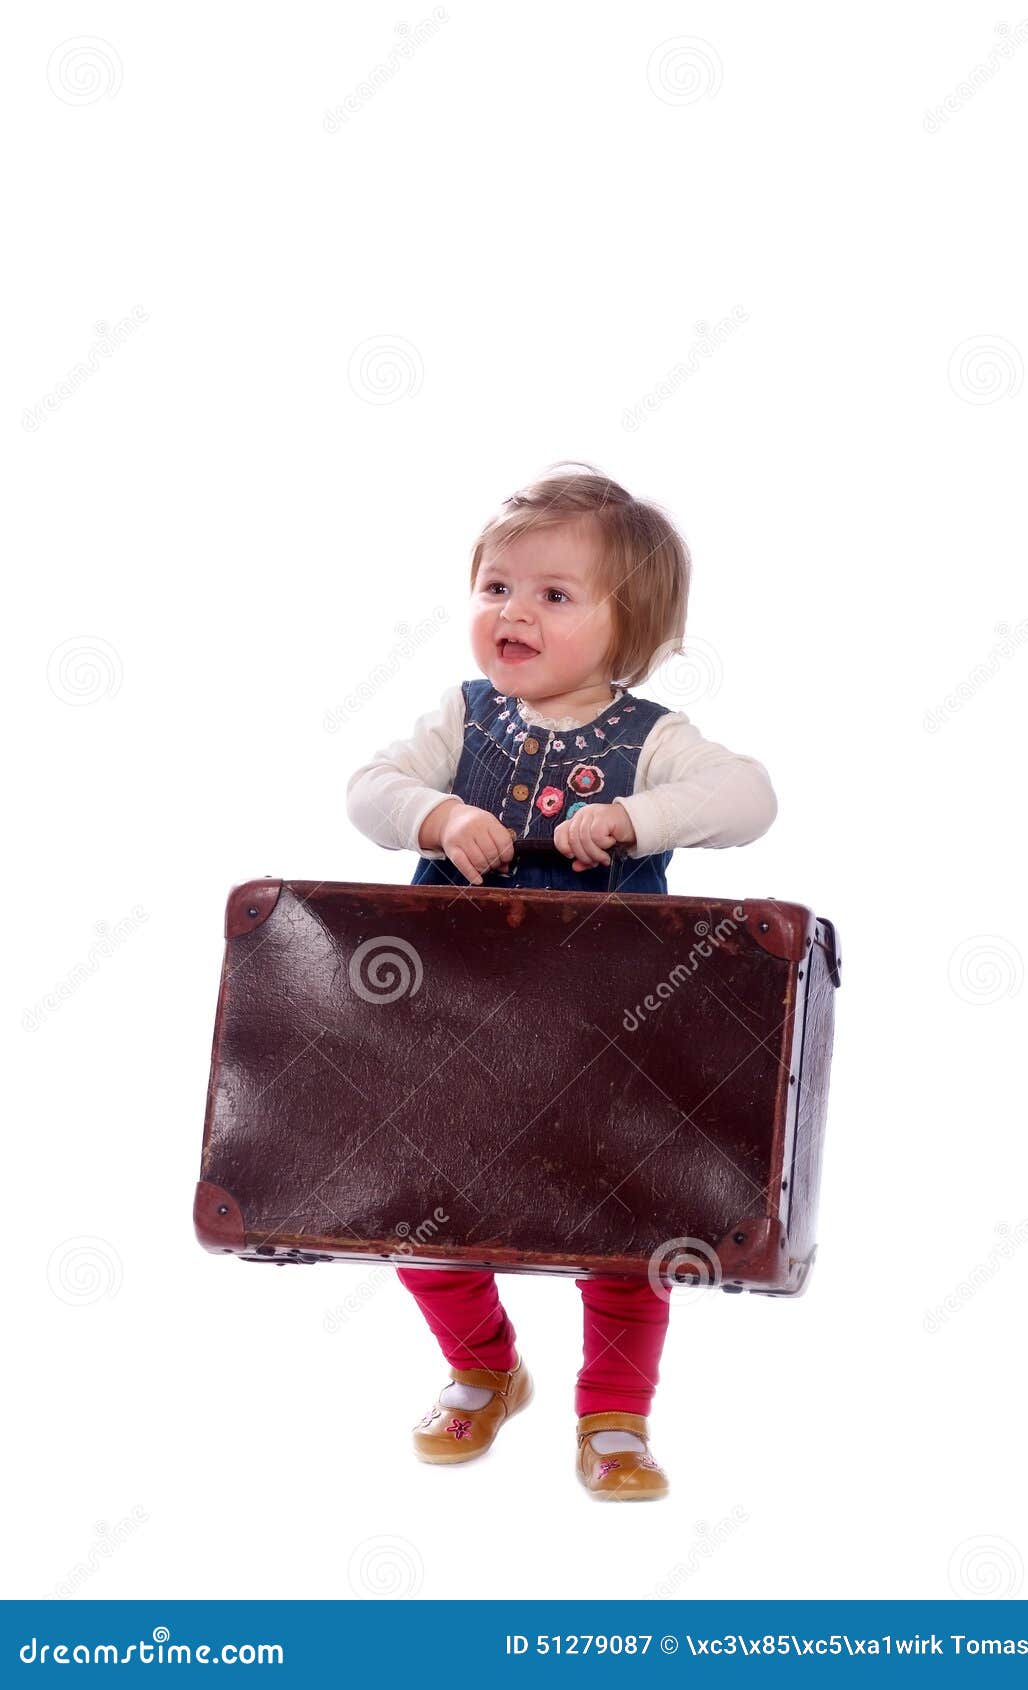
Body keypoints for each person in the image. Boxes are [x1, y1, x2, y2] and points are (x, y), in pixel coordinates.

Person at [345, 462, 777, 1499]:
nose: (513, 610)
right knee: (420, 1209)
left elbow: (751, 798)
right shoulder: (464, 717)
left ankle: (615, 1411)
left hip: (608, 1036)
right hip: (454, 1025)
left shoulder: (652, 740)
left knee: (625, 1232)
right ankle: (484, 1365)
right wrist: (440, 817)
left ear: (626, 631)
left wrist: (637, 818)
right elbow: (369, 787)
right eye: (496, 586)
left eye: (553, 594)